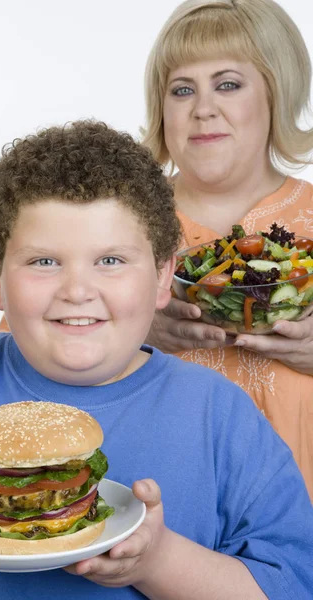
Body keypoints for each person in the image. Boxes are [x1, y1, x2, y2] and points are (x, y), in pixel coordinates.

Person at [0, 121, 312, 600]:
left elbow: (291, 584)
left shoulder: (220, 415)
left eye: (110, 261)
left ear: (164, 276)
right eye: (44, 261)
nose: (78, 291)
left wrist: (157, 561)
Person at [142, 0, 313, 500]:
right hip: (157, 506)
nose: (203, 108)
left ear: (276, 94)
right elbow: (28, 343)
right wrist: (132, 330)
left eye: (228, 84)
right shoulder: (116, 222)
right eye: (181, 89)